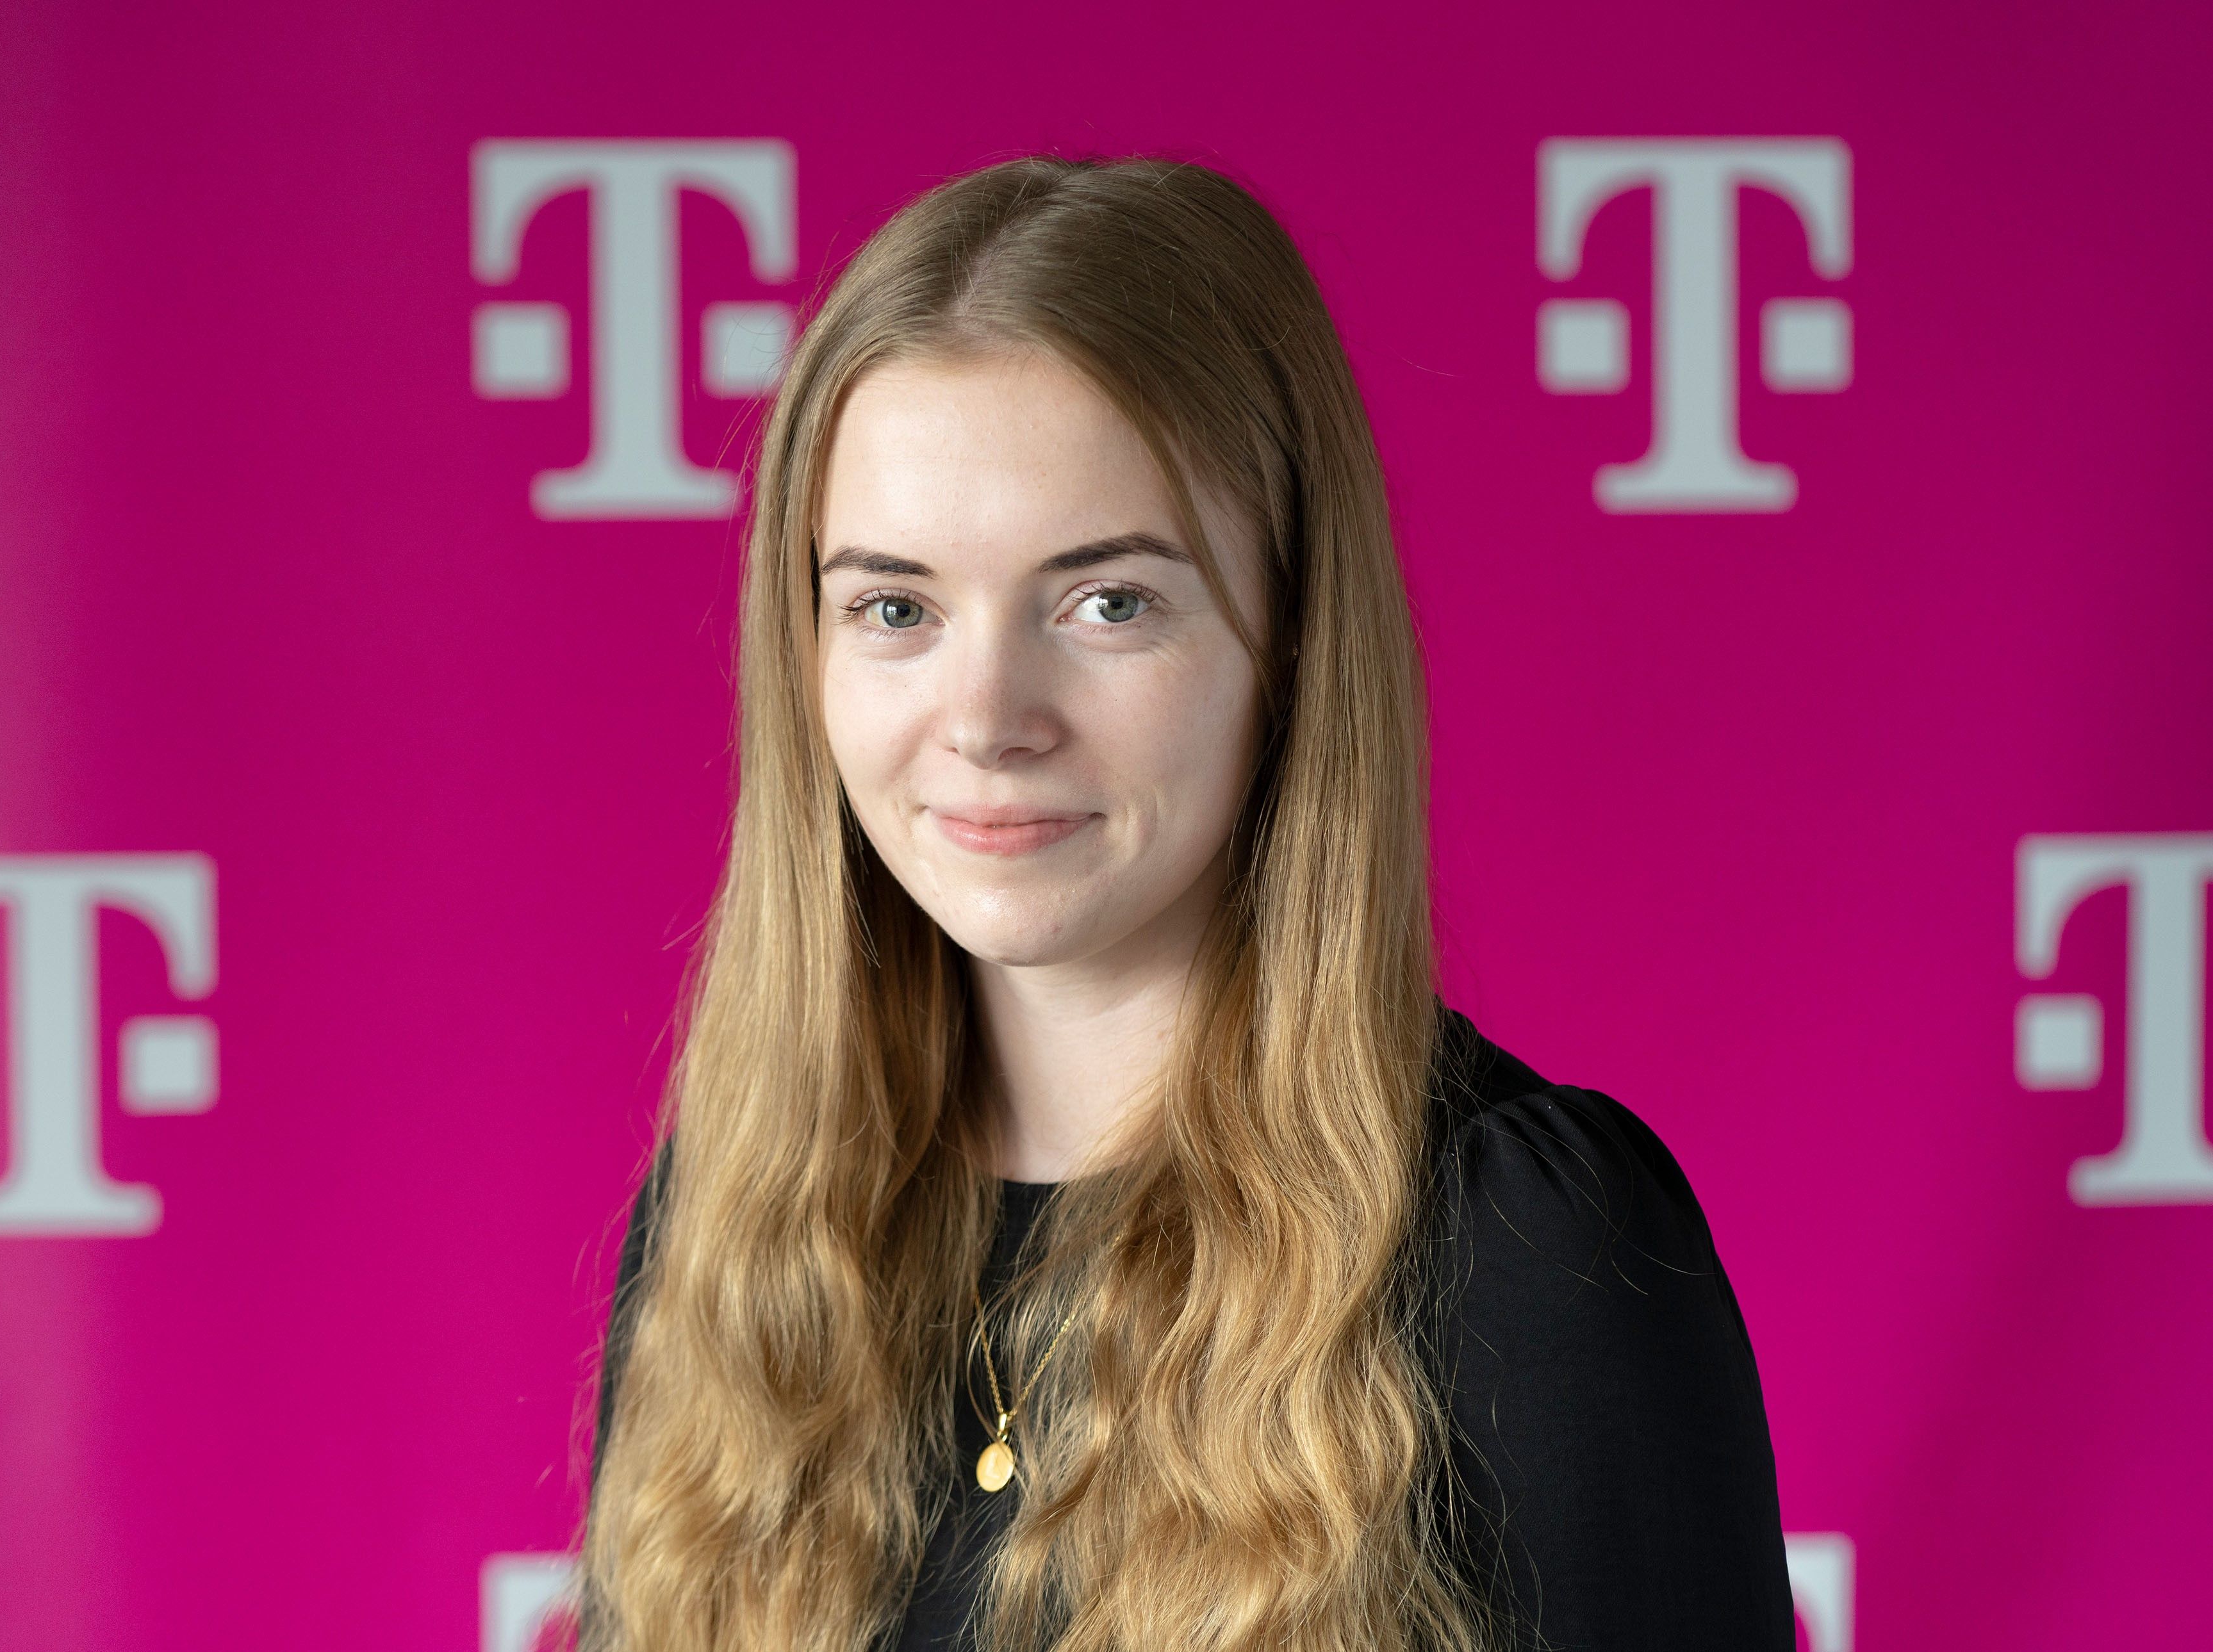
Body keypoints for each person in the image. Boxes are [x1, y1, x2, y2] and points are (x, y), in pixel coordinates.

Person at [573, 154, 1793, 1652]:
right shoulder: (724, 1232)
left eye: (1109, 603)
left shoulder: (1526, 1260)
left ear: (1288, 640)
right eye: (894, 607)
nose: (986, 715)